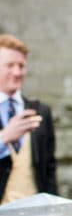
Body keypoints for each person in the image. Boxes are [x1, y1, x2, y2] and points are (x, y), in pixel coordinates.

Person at [0, 34, 57, 204]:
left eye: (21, 66)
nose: (17, 72)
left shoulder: (40, 111)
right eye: (9, 65)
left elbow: (50, 168)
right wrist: (4, 138)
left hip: (35, 214)